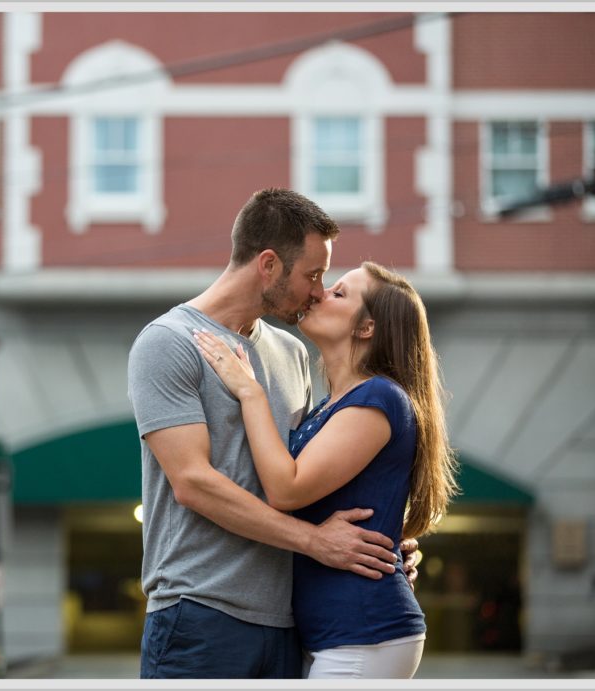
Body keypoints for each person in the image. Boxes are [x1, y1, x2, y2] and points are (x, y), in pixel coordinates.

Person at [127, 188, 420, 679]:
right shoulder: (168, 343)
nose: (318, 291)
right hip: (200, 609)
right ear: (268, 265)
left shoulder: (290, 352)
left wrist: (384, 541)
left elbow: (310, 473)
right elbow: (193, 483)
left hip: (288, 624)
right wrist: (314, 542)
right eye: (312, 274)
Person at [192, 260, 459, 678]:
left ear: (366, 327)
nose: (318, 293)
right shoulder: (330, 406)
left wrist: (249, 391)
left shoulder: (378, 398)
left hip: (363, 633)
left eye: (338, 293)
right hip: (334, 635)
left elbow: (286, 489)